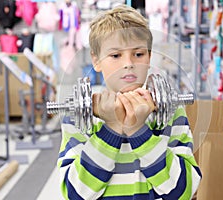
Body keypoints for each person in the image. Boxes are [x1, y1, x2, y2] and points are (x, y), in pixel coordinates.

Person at [58, 4, 201, 200]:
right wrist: (111, 128)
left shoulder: (172, 113)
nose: (128, 63)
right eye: (116, 55)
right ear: (96, 60)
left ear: (149, 56)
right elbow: (76, 194)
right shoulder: (77, 117)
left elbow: (184, 191)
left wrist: (138, 131)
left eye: (139, 54)